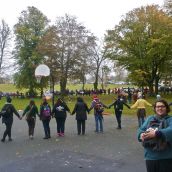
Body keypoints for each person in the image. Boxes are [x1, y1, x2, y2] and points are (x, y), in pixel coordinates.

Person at [137, 99, 172, 172]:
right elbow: (141, 129)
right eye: (157, 107)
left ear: (167, 108)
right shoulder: (150, 118)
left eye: (162, 106)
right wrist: (141, 135)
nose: (160, 108)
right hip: (150, 157)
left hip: (166, 157)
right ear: (155, 108)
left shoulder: (170, 119)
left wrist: (156, 133)